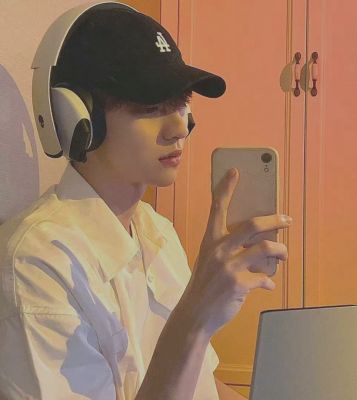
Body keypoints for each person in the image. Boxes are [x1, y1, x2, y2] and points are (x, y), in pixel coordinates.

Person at [0, 4, 292, 400]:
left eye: (181, 102)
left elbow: (202, 386)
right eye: (151, 107)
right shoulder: (36, 262)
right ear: (79, 116)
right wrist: (195, 317)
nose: (180, 128)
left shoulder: (157, 231)